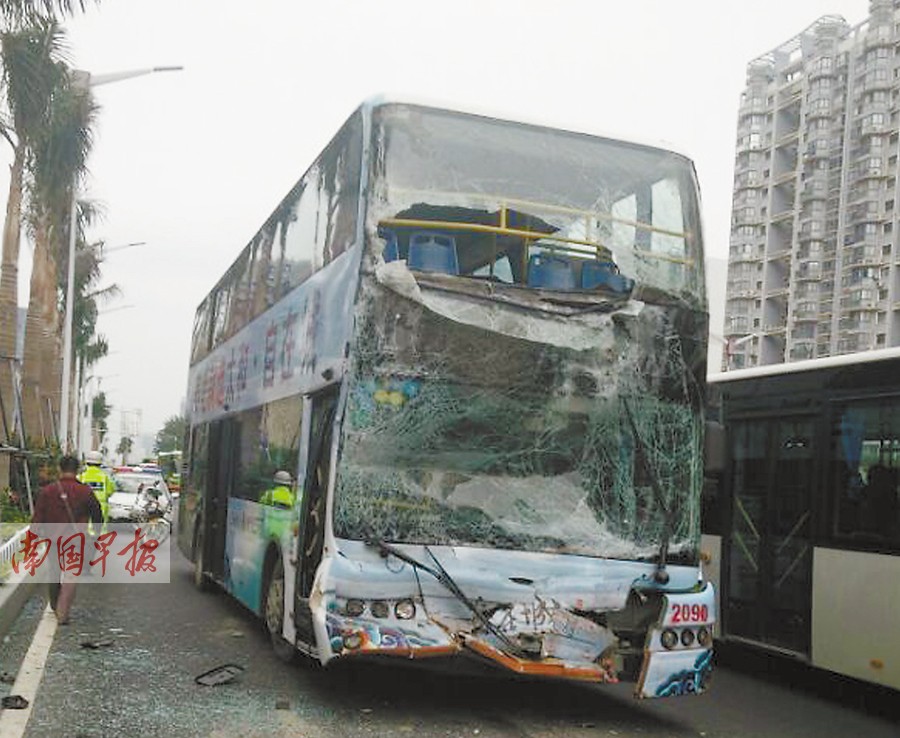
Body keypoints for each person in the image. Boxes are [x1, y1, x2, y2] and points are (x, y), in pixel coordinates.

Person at [32, 455, 102, 624]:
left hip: (53, 539)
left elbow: (38, 516)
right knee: (71, 575)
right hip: (76, 539)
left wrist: (35, 534)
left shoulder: (48, 491)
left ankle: (55, 605)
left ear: (60, 468)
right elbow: (97, 515)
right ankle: (63, 612)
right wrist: (96, 534)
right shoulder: (85, 491)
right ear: (77, 470)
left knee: (55, 572)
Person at [78, 450, 115, 527]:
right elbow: (110, 491)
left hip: (83, 508)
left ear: (86, 462)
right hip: (101, 509)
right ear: (100, 463)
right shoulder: (105, 477)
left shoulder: (81, 477)